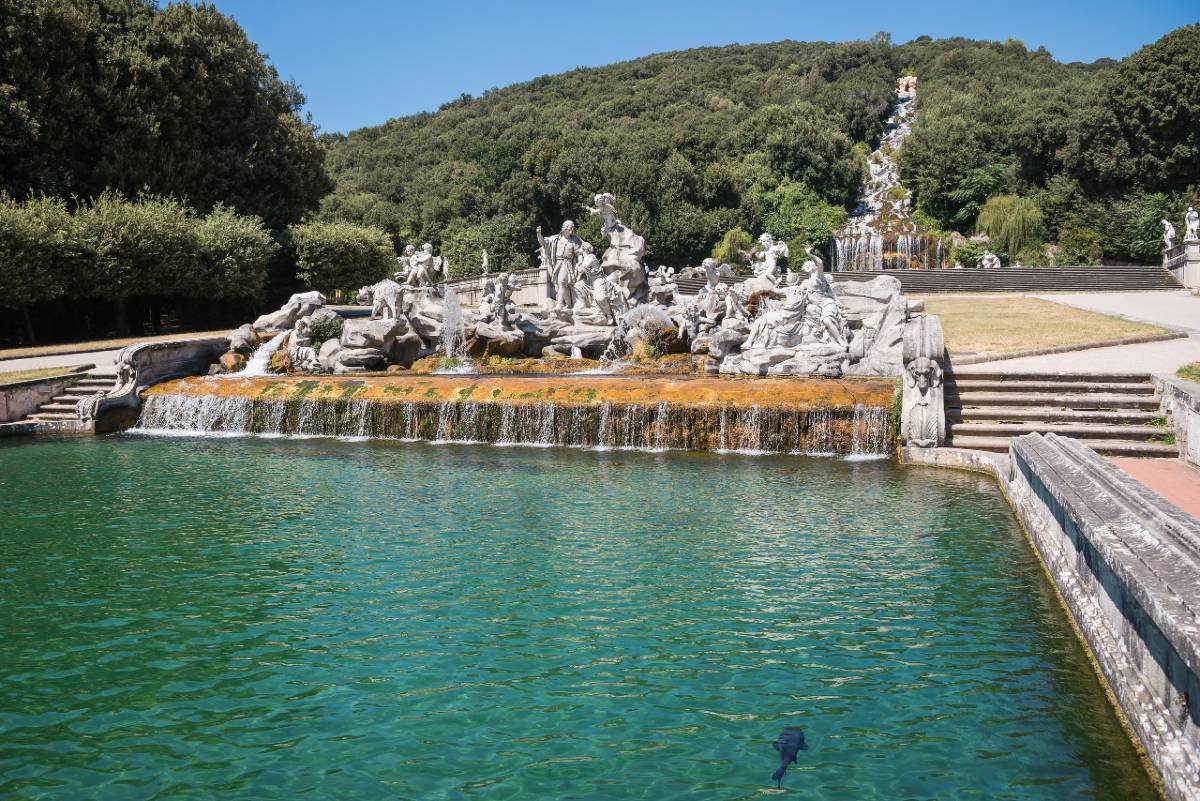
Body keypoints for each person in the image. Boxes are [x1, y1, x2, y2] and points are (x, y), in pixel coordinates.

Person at [537, 221, 583, 310]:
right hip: (557, 263)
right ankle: (569, 304)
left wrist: (580, 263)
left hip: (567, 263)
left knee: (562, 282)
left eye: (572, 227)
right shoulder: (555, 239)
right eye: (571, 227)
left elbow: (579, 254)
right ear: (566, 227)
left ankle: (560, 304)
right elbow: (543, 243)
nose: (572, 229)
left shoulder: (574, 240)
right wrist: (539, 234)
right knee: (561, 284)